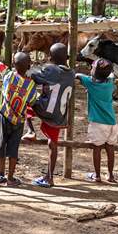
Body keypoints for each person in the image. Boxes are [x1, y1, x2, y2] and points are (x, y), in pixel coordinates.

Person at [0, 32, 38, 187]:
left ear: (14, 65)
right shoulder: (30, 85)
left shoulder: (8, 75)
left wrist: (0, 41)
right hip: (19, 120)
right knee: (13, 149)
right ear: (29, 66)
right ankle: (10, 178)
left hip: (4, 116)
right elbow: (33, 101)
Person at [25, 43, 75, 188]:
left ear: (50, 57)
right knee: (53, 144)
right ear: (66, 58)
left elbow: (33, 75)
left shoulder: (50, 69)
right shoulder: (71, 73)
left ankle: (30, 130)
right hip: (59, 116)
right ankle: (49, 177)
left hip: (44, 109)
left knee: (28, 100)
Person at [76, 59, 118, 183]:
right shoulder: (110, 82)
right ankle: (110, 175)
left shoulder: (90, 82)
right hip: (112, 122)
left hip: (98, 123)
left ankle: (97, 175)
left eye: (92, 68)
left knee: (97, 148)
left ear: (94, 72)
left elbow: (78, 75)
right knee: (110, 148)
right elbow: (111, 75)